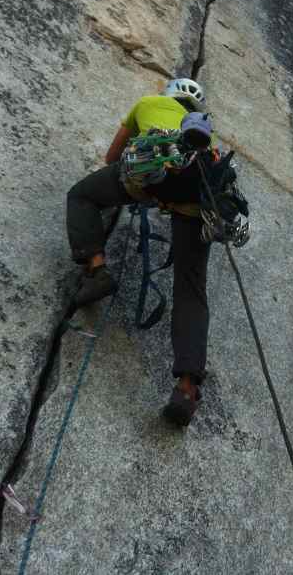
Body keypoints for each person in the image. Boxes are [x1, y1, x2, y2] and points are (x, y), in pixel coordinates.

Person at [66, 77, 234, 425]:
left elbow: (112, 157)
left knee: (81, 195)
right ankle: (186, 389)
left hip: (148, 175)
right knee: (191, 290)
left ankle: (97, 269)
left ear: (169, 95)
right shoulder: (209, 138)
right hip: (195, 199)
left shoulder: (146, 104)